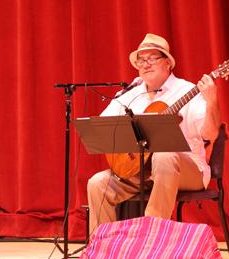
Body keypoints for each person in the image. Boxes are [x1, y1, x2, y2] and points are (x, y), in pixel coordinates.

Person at [87, 33, 221, 234]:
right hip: (139, 170)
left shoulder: (187, 91)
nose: (145, 64)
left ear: (167, 63)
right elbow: (103, 129)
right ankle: (103, 250)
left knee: (164, 155)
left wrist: (212, 101)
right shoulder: (131, 95)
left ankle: (150, 239)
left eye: (152, 59)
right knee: (98, 183)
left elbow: (211, 134)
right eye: (141, 60)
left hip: (188, 168)